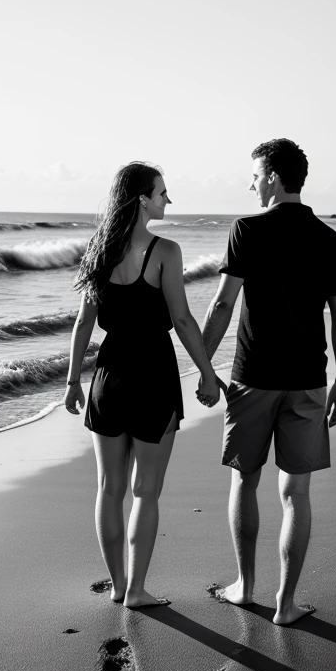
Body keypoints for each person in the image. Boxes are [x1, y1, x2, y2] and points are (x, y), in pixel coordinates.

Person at [200, 139, 336, 624]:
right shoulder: (330, 240)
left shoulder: (246, 230)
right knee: (297, 493)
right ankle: (286, 605)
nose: (250, 183)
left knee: (245, 481)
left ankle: (245, 587)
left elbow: (223, 305)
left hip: (253, 379)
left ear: (271, 176)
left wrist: (204, 367)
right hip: (308, 379)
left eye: (253, 174)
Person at [65, 161, 223, 609]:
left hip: (109, 376)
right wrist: (208, 375)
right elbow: (183, 319)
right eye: (162, 192)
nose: (168, 200)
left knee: (109, 489)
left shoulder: (98, 251)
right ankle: (136, 591)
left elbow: (82, 324)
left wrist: (73, 382)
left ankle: (116, 585)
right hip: (153, 375)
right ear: (142, 198)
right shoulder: (166, 251)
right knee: (146, 491)